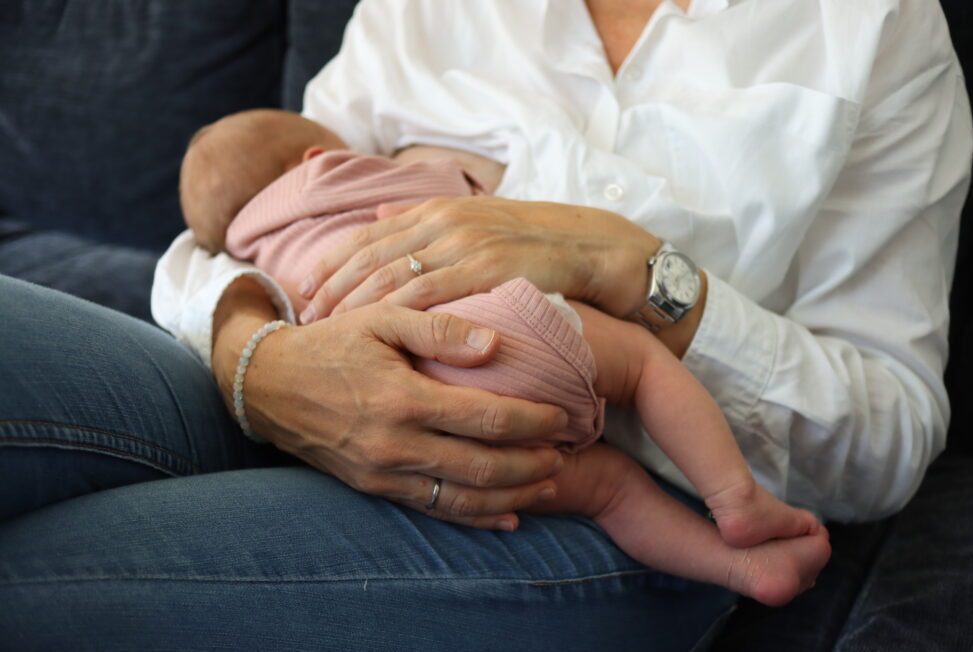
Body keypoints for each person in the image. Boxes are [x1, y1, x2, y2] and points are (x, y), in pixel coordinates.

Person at [1, 0, 972, 652]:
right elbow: (249, 215)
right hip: (290, 370)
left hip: (560, 495)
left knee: (27, 595)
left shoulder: (872, 25)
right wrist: (258, 362)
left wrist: (641, 273)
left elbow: (883, 437)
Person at [178, 108, 831, 605]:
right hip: (496, 327)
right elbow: (457, 209)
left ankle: (743, 569)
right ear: (316, 154)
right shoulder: (331, 174)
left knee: (606, 491)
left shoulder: (255, 260)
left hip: (415, 405)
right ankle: (736, 498)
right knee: (641, 362)